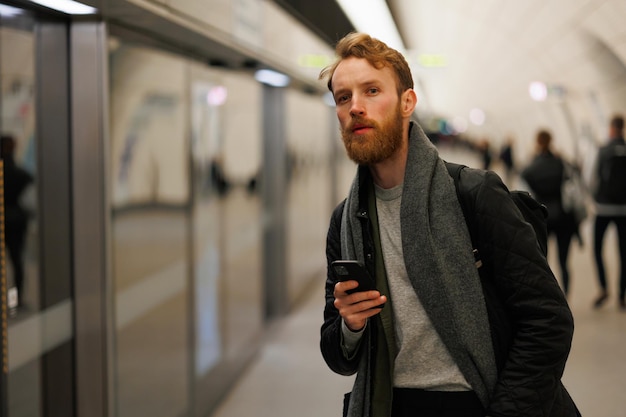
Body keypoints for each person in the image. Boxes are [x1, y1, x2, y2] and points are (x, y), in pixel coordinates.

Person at [319, 33, 580, 417]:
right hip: (388, 404)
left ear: (407, 102)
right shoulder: (347, 221)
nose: (356, 106)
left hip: (480, 402)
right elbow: (338, 356)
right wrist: (350, 326)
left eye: (371, 90)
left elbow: (548, 321)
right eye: (344, 97)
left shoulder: (474, 195)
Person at [520, 130, 579, 296]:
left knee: (543, 260)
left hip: (541, 218)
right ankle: (566, 294)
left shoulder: (530, 168)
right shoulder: (561, 163)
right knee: (564, 261)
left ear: (537, 142)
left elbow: (523, 195)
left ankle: (548, 295)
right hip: (563, 217)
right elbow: (573, 187)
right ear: (551, 141)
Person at [588, 114, 626, 310]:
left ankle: (603, 288)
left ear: (611, 129)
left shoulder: (602, 150)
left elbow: (591, 177)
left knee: (597, 249)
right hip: (624, 210)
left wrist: (594, 197)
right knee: (623, 252)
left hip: (603, 208)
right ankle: (622, 295)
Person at [1, 134, 34, 308]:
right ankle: (14, 300)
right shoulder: (21, 174)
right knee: (16, 263)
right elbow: (30, 200)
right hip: (15, 222)